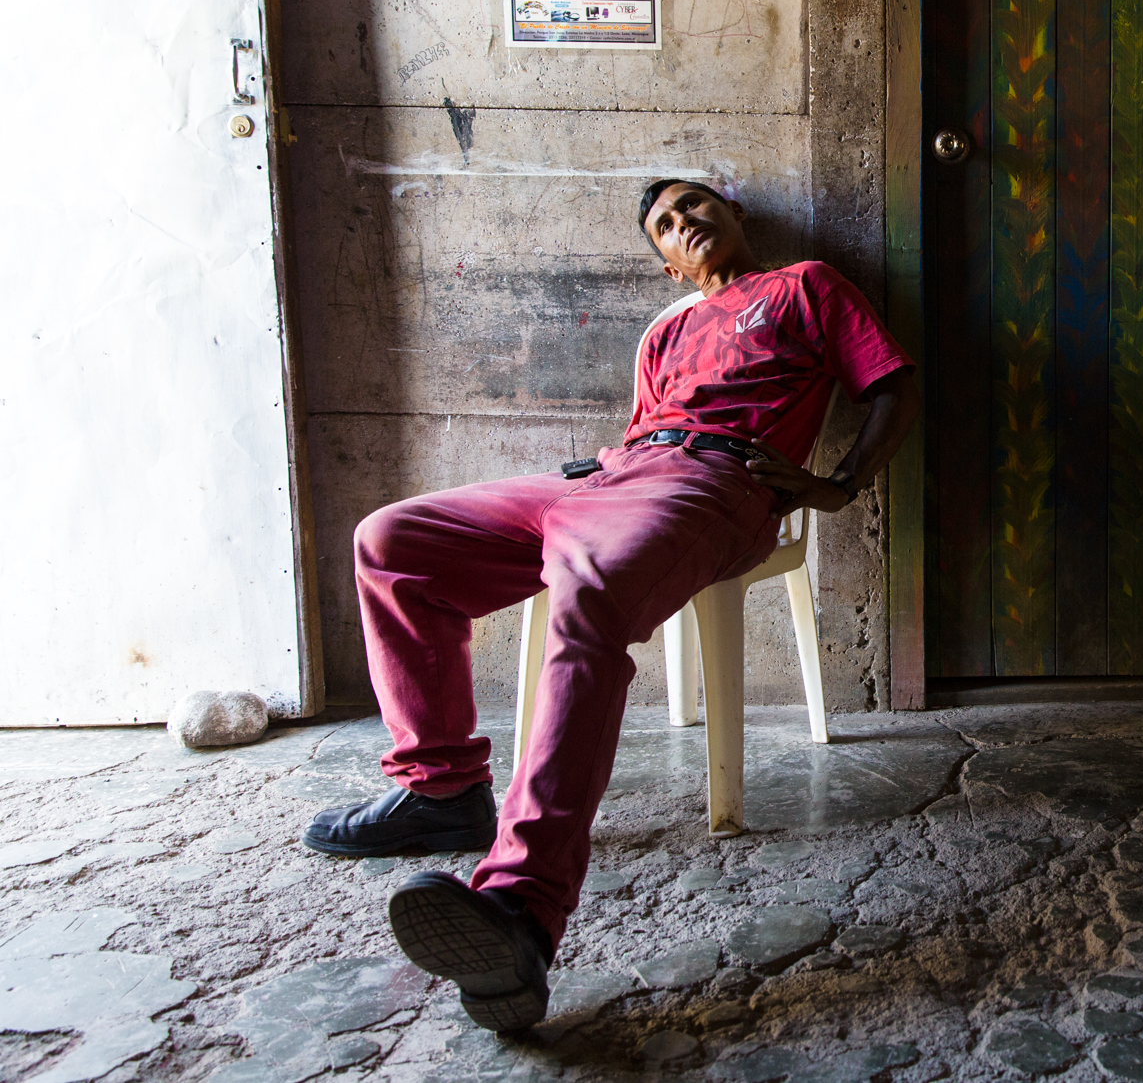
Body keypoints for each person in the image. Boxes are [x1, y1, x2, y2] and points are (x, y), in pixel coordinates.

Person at [301, 180, 917, 1031]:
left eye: (698, 205)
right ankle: (440, 789)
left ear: (735, 216)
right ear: (665, 264)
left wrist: (840, 485)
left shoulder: (805, 284)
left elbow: (892, 384)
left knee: (587, 593)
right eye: (665, 224)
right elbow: (638, 435)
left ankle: (520, 912)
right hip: (606, 476)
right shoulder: (667, 330)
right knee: (391, 542)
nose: (685, 223)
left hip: (714, 481)